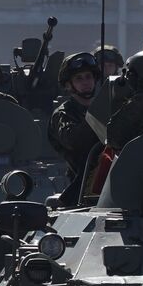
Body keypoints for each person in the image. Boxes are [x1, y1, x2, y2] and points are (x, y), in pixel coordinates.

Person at [48, 52, 101, 206]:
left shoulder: (107, 108)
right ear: (68, 85)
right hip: (79, 193)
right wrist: (96, 114)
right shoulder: (62, 115)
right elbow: (74, 141)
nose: (85, 82)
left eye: (88, 77)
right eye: (79, 78)